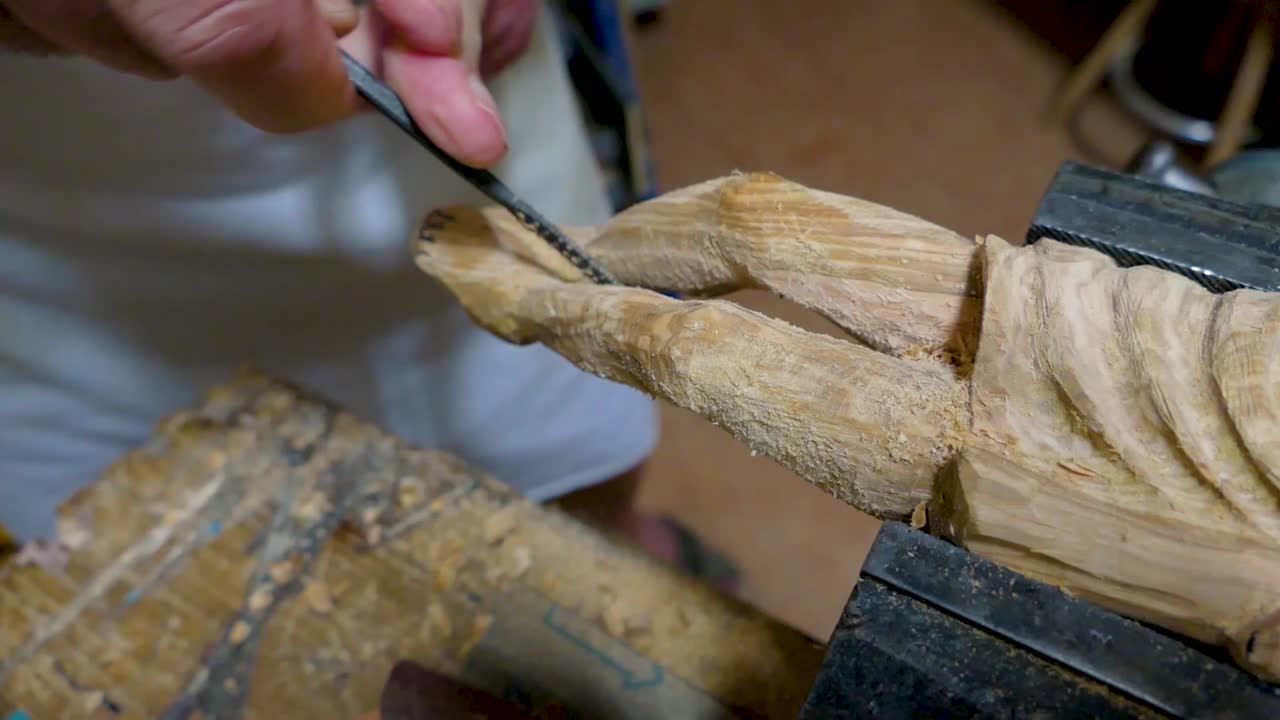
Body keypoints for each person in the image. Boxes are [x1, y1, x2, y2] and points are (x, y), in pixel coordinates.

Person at [0, 0, 739, 591]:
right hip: (67, 256)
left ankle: (633, 572)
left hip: (476, 144)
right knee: (181, 591)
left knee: (582, 496)